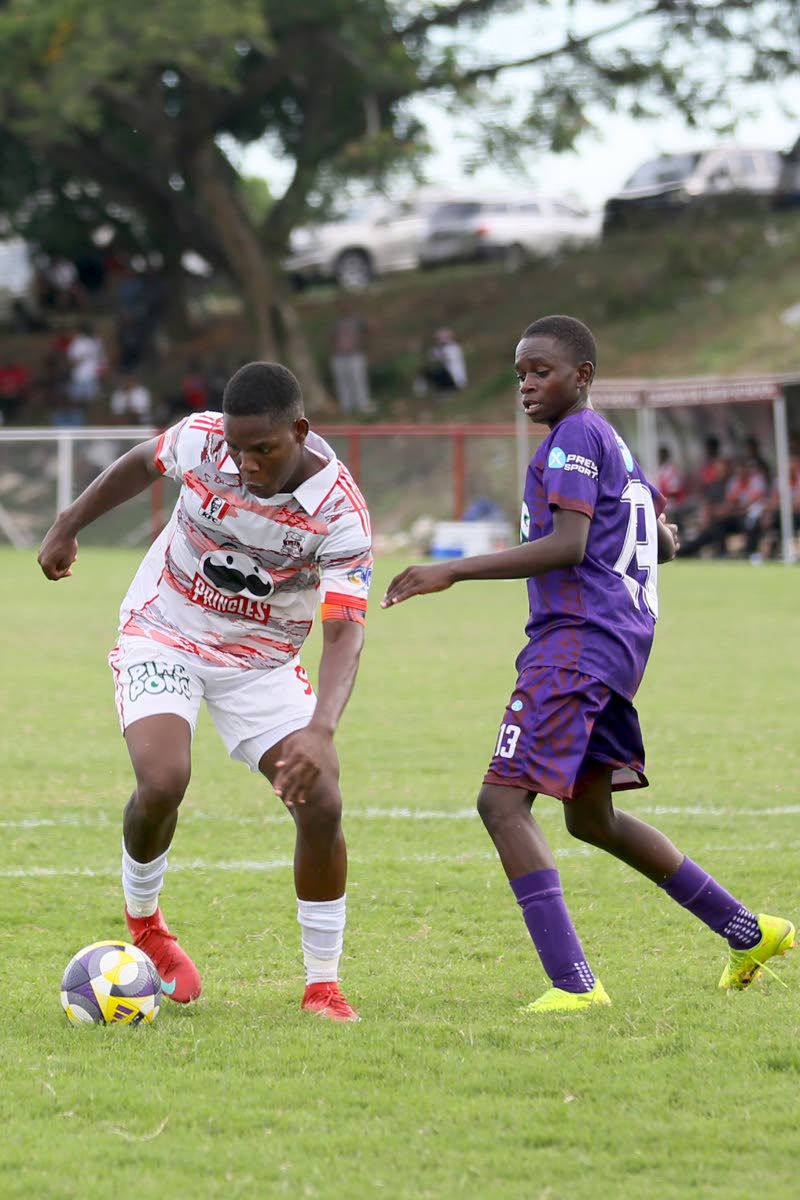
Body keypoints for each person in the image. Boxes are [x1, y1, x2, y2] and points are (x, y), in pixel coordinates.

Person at [382, 314, 794, 1014]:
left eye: (541, 371)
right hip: (616, 645)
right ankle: (751, 932)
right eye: (520, 374)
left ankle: (574, 986)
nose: (527, 385)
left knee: (502, 802)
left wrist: (452, 570)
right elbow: (661, 539)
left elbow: (570, 545)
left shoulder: (575, 439)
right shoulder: (614, 445)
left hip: (577, 644)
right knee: (591, 820)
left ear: (584, 376)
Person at [38, 362, 373, 1022]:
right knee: (162, 781)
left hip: (263, 663)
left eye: (264, 449)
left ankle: (323, 985)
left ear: (300, 432)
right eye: (236, 447)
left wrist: (322, 728)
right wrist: (68, 522)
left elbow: (343, 635)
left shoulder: (340, 513)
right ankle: (148, 929)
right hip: (165, 628)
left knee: (323, 798)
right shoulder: (201, 439)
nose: (246, 463)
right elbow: (141, 462)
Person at [329, 301, 373, 416]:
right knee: (342, 381)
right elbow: (332, 338)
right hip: (339, 355)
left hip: (354, 354)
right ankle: (346, 407)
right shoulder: (337, 322)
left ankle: (363, 405)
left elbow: (369, 330)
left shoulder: (357, 320)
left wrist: (363, 342)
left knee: (358, 380)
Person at [416, 327, 468, 395]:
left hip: (456, 380)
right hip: (449, 378)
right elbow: (430, 356)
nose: (439, 340)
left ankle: (446, 391)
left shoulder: (454, 348)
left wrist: (435, 355)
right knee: (427, 370)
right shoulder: (441, 348)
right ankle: (424, 391)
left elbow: (442, 356)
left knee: (438, 370)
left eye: (441, 338)